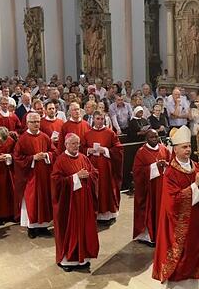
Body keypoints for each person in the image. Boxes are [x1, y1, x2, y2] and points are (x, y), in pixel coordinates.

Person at [152, 125, 199, 289]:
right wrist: (195, 185)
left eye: (189, 146)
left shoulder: (195, 166)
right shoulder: (170, 172)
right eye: (184, 147)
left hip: (195, 222)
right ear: (175, 149)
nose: (188, 150)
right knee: (183, 255)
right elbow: (173, 201)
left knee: (193, 253)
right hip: (178, 223)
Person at [51, 133, 100, 272]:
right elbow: (56, 182)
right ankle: (67, 260)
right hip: (69, 205)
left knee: (84, 229)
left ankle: (83, 257)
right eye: (73, 143)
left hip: (84, 202)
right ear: (66, 144)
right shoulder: (61, 160)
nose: (76, 146)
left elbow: (94, 172)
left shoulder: (84, 158)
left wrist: (89, 175)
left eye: (78, 143)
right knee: (69, 230)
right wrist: (75, 177)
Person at [13, 112, 55, 238]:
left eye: (38, 121)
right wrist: (32, 158)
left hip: (44, 175)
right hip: (30, 176)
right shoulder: (23, 139)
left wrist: (47, 155)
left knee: (44, 199)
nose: (36, 124)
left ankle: (43, 226)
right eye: (33, 122)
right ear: (27, 123)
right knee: (31, 200)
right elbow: (17, 158)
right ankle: (31, 227)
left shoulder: (45, 137)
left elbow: (54, 151)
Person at [83, 111, 124, 225]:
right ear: (93, 119)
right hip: (92, 166)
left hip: (106, 167)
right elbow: (82, 148)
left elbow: (119, 149)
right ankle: (94, 213)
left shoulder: (110, 133)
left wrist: (105, 150)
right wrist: (88, 150)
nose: (100, 121)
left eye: (102, 119)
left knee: (106, 189)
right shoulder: (87, 133)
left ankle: (108, 215)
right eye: (98, 118)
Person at [132, 129, 170, 246]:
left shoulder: (164, 149)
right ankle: (148, 237)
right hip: (148, 190)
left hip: (162, 187)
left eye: (156, 137)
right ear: (146, 139)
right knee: (150, 211)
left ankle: (161, 234)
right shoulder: (141, 152)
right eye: (152, 137)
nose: (154, 139)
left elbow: (171, 163)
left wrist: (166, 165)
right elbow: (137, 171)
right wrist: (154, 166)